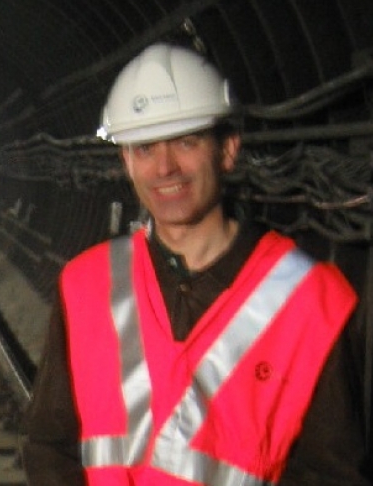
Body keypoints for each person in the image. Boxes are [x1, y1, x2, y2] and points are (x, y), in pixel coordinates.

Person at [21, 42, 369, 485]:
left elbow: (330, 474)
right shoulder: (86, 285)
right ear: (126, 162)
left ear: (227, 150)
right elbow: (50, 445)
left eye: (186, 141)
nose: (165, 167)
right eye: (145, 148)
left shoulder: (311, 302)